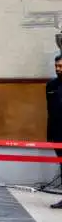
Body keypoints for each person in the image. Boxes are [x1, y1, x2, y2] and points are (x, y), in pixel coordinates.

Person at [47, 54, 62, 209]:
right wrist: (49, 134)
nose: (58, 69)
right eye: (56, 66)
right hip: (57, 133)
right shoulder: (51, 86)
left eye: (61, 66)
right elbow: (49, 111)